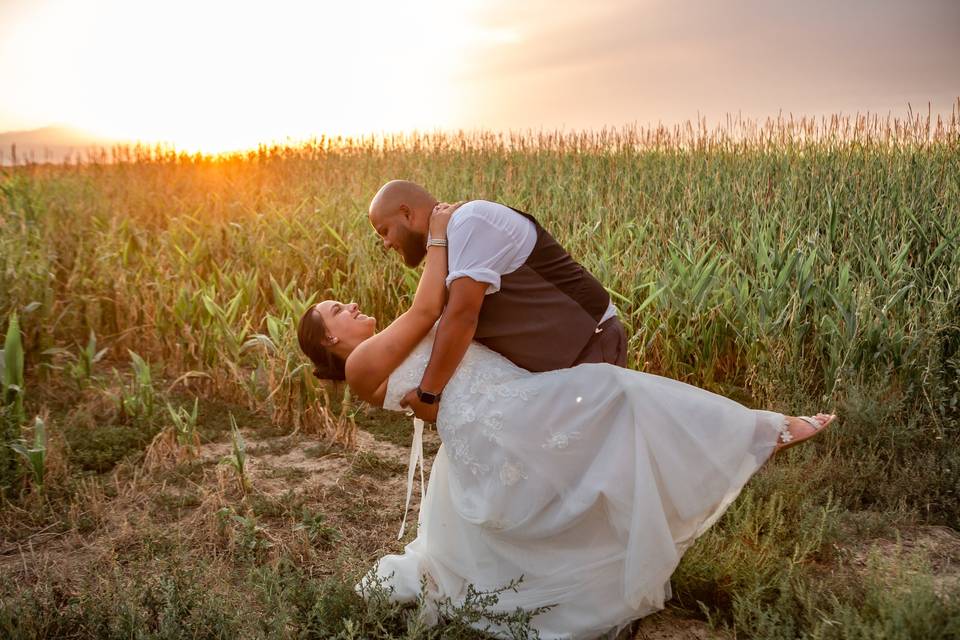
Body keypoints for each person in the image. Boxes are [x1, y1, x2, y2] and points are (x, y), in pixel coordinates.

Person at [297, 203, 836, 639]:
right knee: (610, 394)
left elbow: (437, 315)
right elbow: (428, 312)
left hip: (507, 403)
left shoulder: (376, 349)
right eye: (338, 310)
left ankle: (748, 438)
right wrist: (438, 234)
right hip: (494, 417)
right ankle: (758, 433)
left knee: (567, 483)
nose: (350, 306)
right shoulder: (363, 362)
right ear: (330, 340)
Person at [367, 180, 629, 423]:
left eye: (384, 231)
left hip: (591, 349)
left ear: (406, 213)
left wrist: (428, 393)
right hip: (558, 371)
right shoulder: (446, 244)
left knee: (596, 462)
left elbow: (462, 316)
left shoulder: (469, 222)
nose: (387, 243)